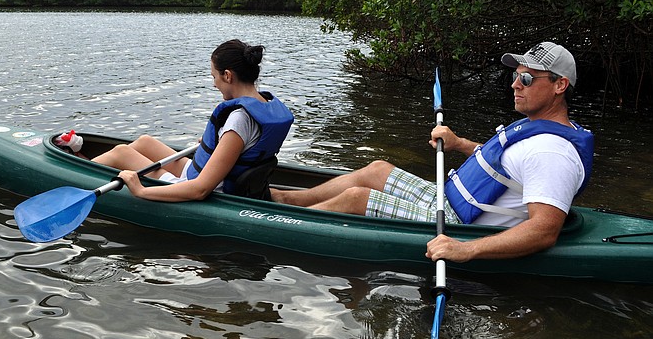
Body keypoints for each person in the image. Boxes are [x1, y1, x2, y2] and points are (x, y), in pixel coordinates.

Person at [271, 41, 594, 263]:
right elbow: (505, 167)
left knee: (357, 198)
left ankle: (275, 226)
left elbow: (543, 231)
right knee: (376, 169)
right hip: (447, 198)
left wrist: (466, 249)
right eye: (515, 75)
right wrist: (458, 144)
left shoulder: (552, 153)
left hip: (461, 225)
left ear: (559, 85)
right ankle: (287, 200)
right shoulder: (536, 130)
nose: (515, 84)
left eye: (526, 77)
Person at [57, 39, 294, 202]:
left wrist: (140, 191)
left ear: (228, 75)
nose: (214, 84)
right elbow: (242, 150)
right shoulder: (263, 103)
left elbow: (201, 189)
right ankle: (89, 166)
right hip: (203, 173)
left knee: (121, 153)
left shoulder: (239, 121)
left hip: (202, 187)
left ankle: (70, 178)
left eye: (215, 77)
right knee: (144, 142)